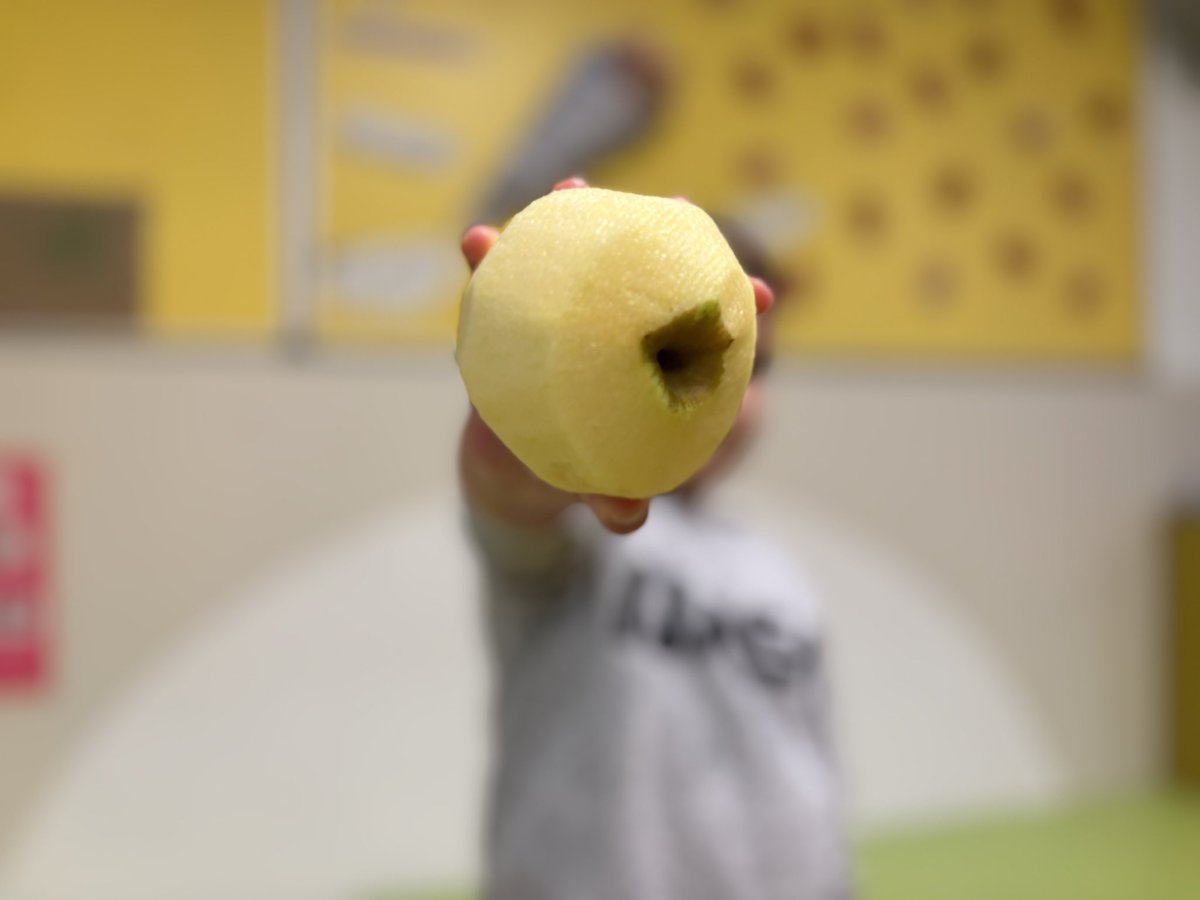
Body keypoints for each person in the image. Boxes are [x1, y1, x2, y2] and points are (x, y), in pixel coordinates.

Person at [459, 178, 848, 900]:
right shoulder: (582, 540)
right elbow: (513, 504)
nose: (741, 393)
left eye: (757, 367)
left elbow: (810, 769)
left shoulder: (778, 575)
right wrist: (519, 434)